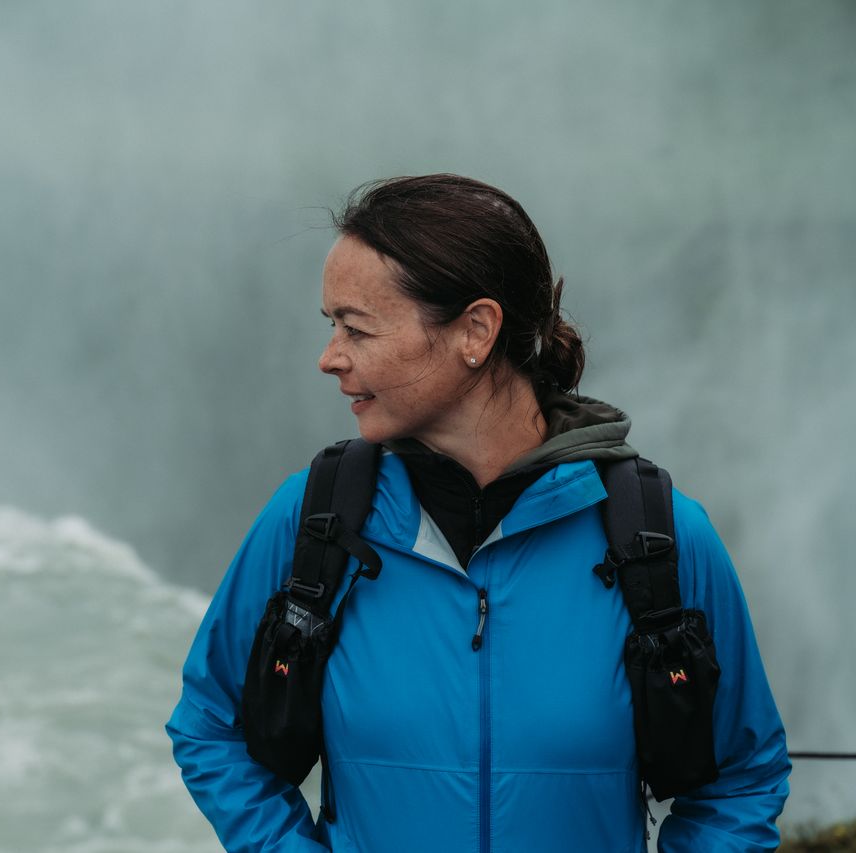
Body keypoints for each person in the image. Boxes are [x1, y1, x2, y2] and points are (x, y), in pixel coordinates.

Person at [165, 174, 790, 852]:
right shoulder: (315, 520)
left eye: (356, 327)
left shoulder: (657, 535)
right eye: (331, 326)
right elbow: (209, 724)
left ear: (476, 330)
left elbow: (741, 777)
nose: (329, 357)